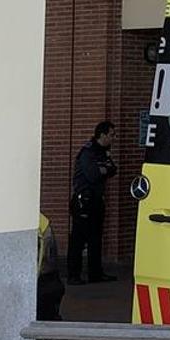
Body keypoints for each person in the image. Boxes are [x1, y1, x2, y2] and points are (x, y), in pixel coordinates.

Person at [67, 121, 117, 285]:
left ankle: (95, 273)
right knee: (78, 239)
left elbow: (113, 169)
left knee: (96, 239)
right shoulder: (88, 152)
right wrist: (104, 169)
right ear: (102, 135)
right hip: (84, 200)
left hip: (96, 200)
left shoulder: (103, 152)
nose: (113, 138)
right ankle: (73, 275)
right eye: (111, 135)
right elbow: (93, 175)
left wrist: (105, 169)